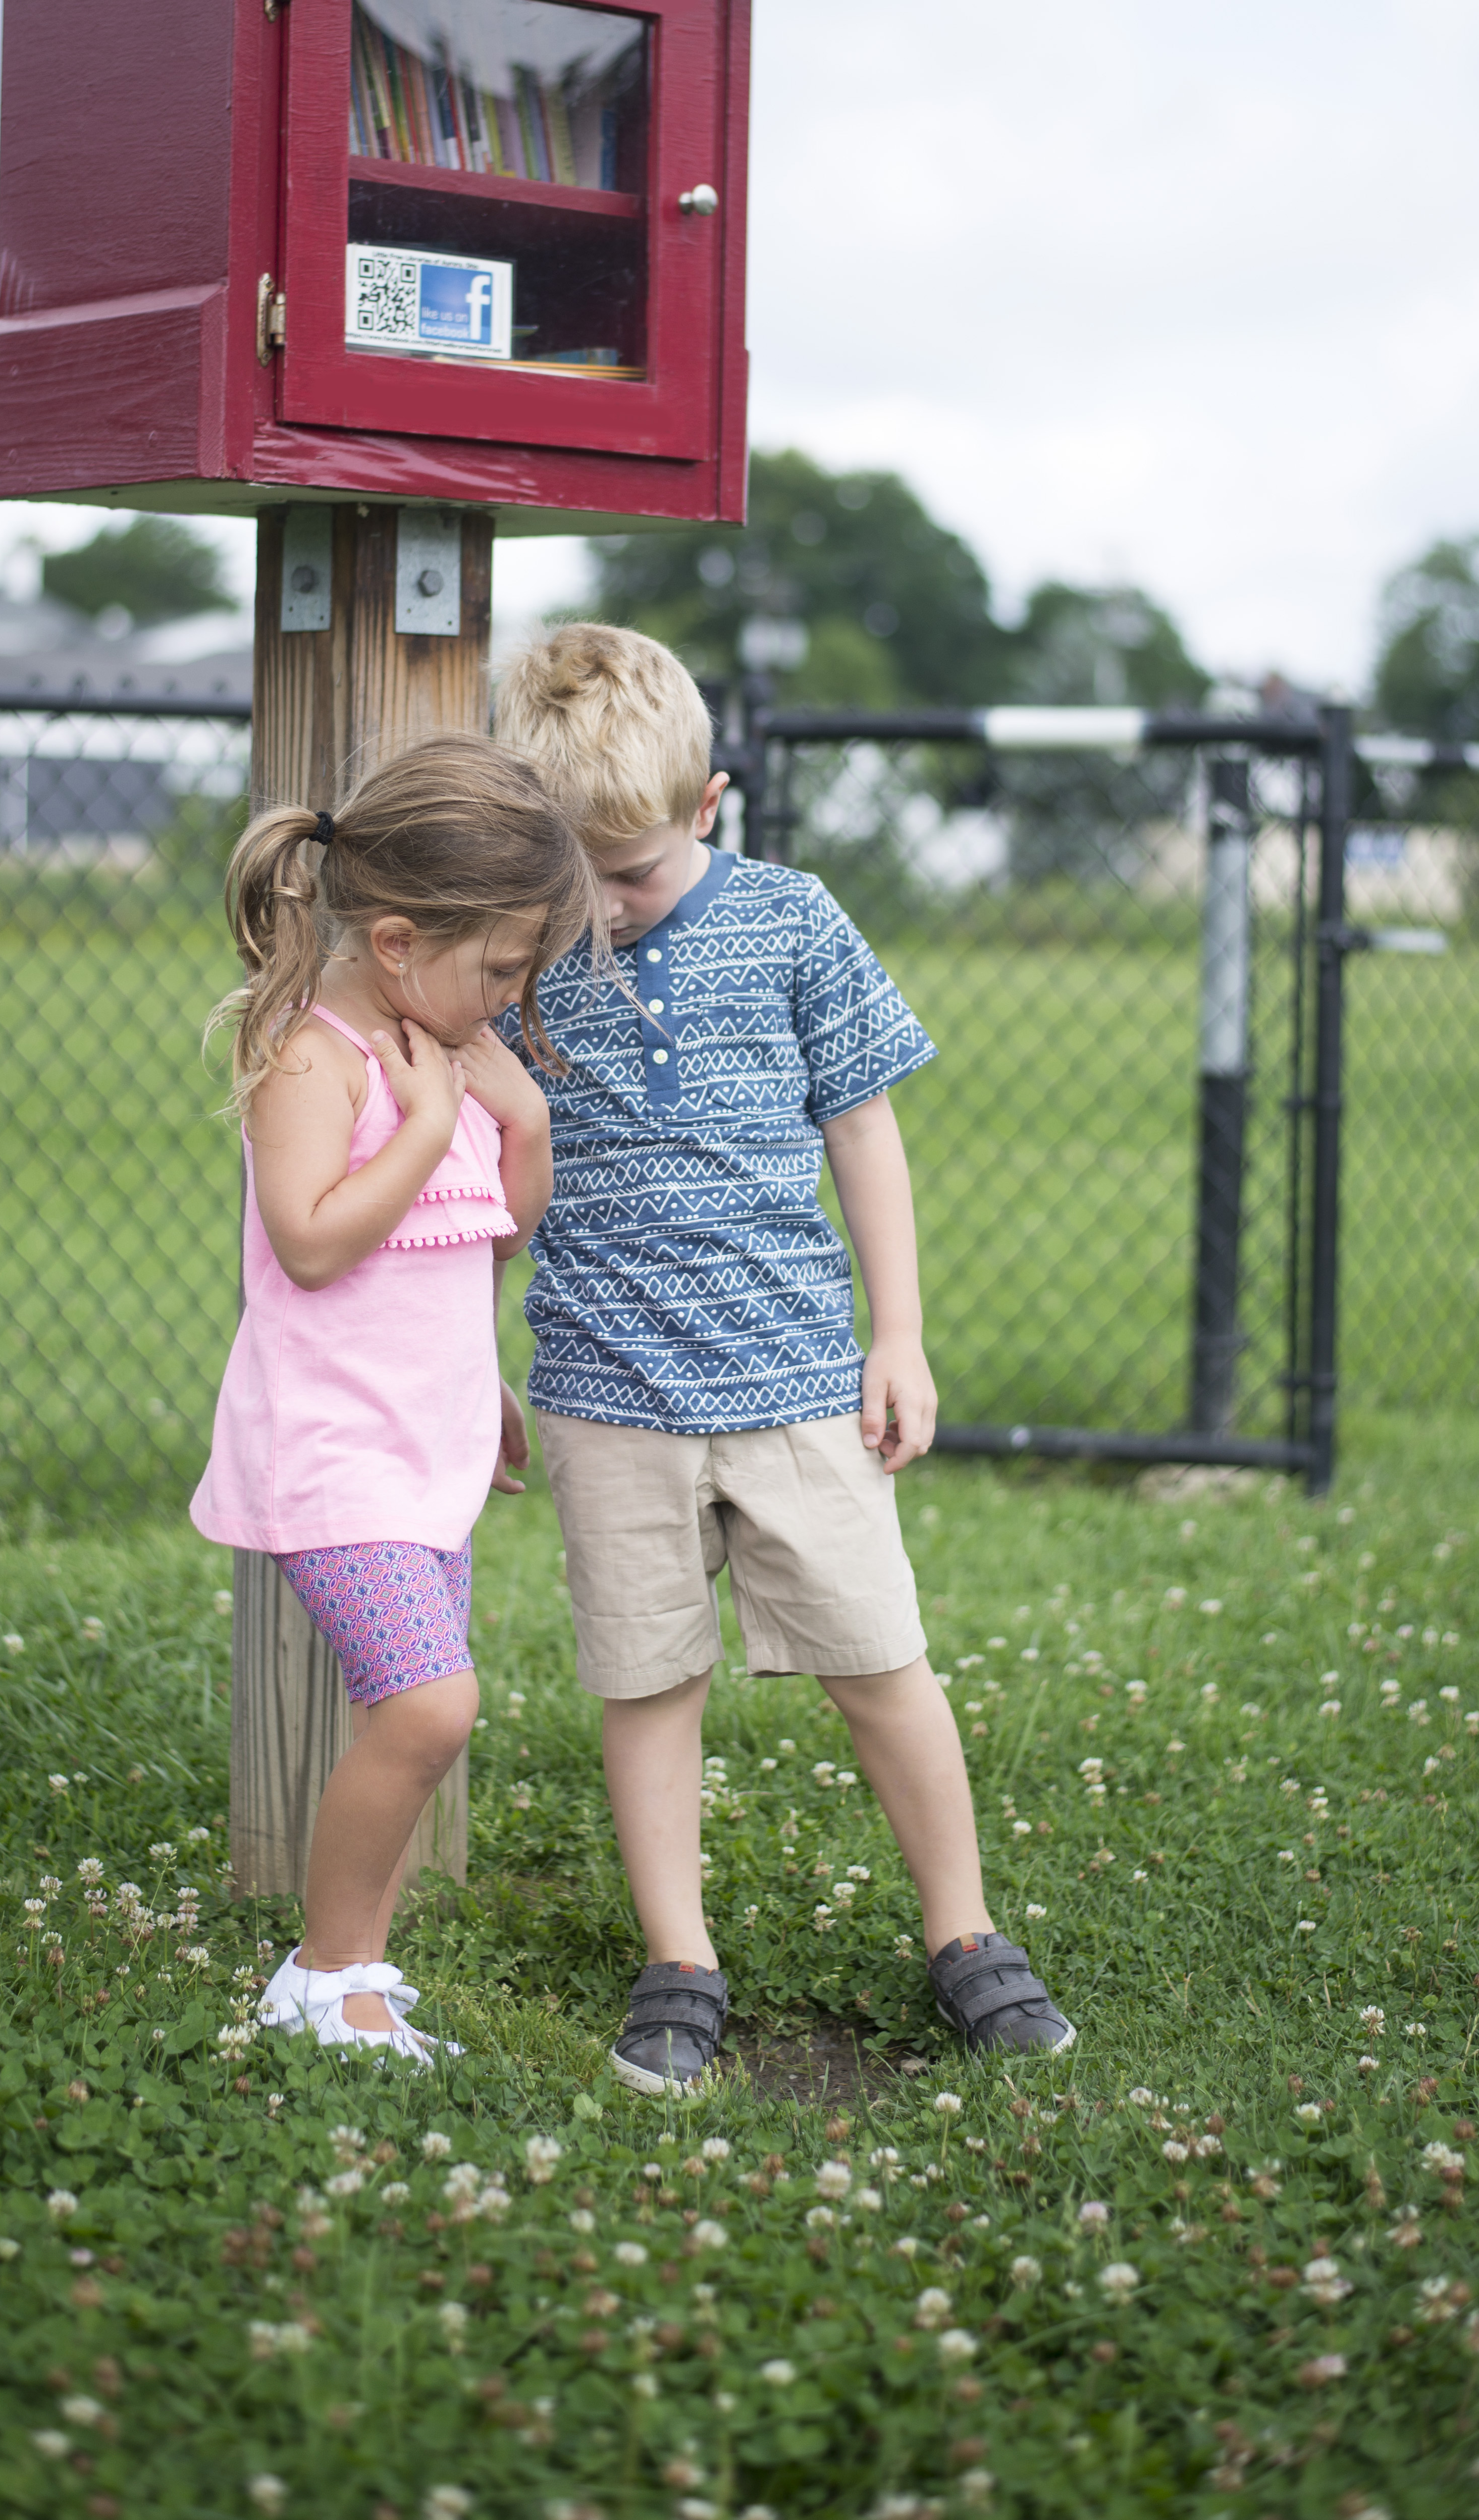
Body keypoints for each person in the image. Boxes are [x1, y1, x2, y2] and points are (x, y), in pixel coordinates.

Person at [496, 624, 1074, 2089]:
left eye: (630, 871)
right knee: (646, 1681)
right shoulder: (515, 957)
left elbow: (864, 1127)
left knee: (883, 1661)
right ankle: (680, 1962)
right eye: (577, 872)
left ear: (710, 806)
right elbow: (485, 1175)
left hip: (798, 1384)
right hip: (605, 1395)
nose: (606, 905)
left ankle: (966, 1937)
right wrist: (464, 1365)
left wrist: (901, 1335)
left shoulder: (798, 921)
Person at [190, 732, 598, 2061]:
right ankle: (319, 1976)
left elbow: (487, 1234)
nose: (510, 997)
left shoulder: (449, 1048)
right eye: (503, 969)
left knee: (410, 1711)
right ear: (403, 939)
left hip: (424, 1446)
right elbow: (310, 1241)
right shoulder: (319, 1060)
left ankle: (357, 1976)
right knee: (430, 1707)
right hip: (330, 1454)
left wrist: (517, 1125)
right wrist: (425, 1126)